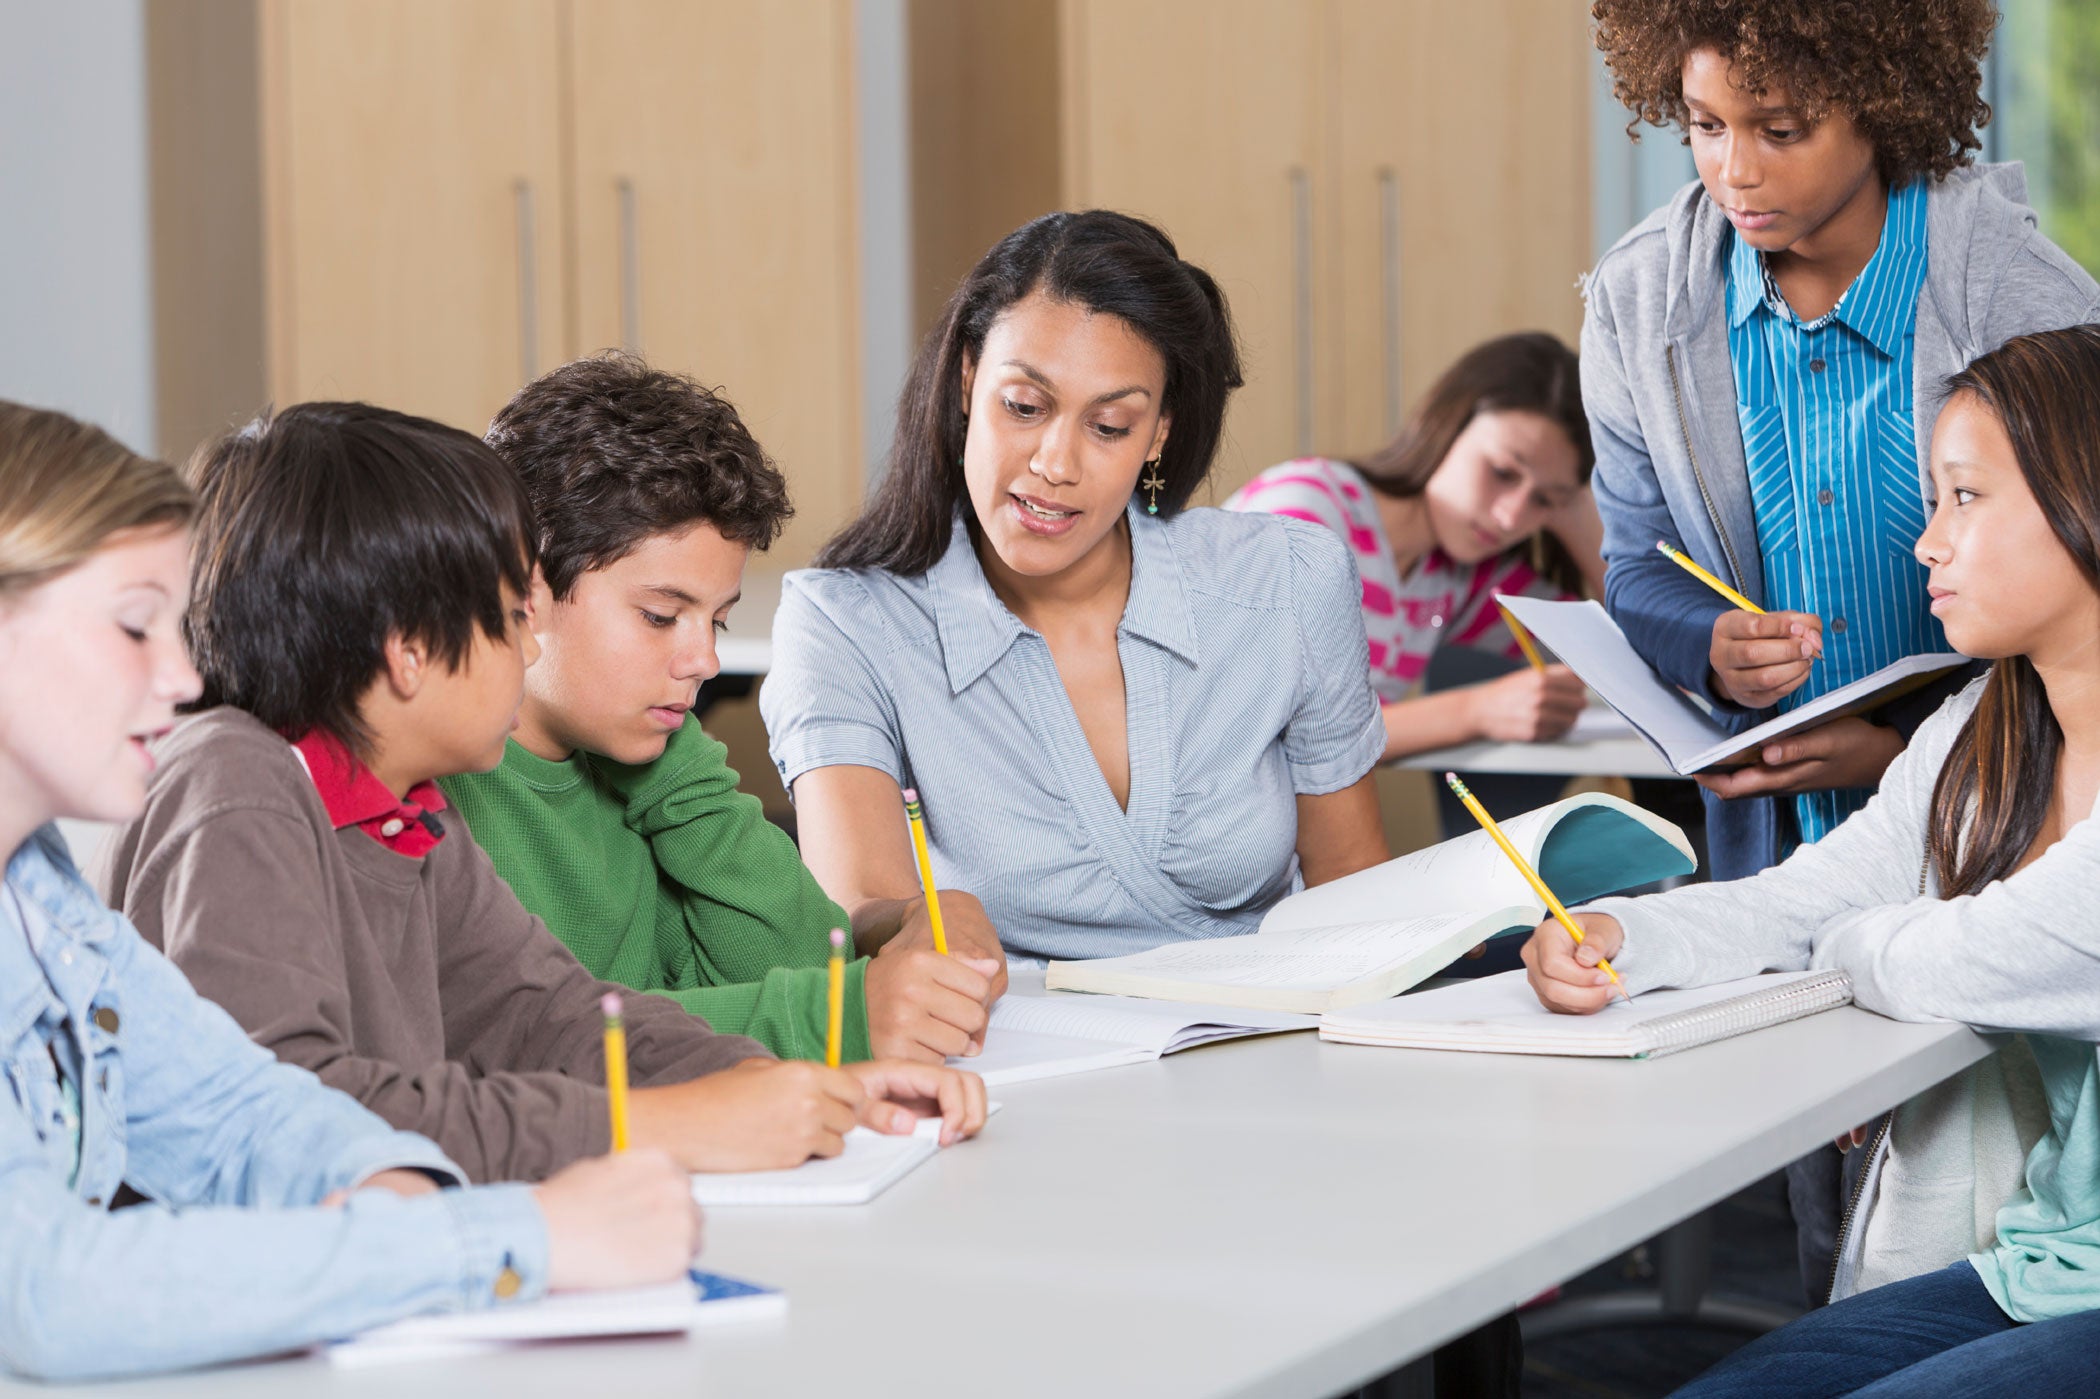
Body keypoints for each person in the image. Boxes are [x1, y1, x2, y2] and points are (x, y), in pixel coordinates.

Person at [96, 401, 984, 1186]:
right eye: (509, 617)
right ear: (408, 650)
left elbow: (552, 1019)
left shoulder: (409, 815)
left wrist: (787, 1082)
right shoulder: (236, 780)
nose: (528, 651)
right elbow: (282, 1115)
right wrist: (661, 1124)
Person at [0, 400, 704, 1382]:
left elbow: (241, 1106)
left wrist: (385, 1182)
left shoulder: (41, 902)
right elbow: (48, 1293)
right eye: (132, 626)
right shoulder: (233, 779)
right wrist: (507, 1239)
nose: (177, 671)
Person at [1582, 0, 2100, 1298]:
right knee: (1854, 1206)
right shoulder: (1642, 301)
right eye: (1704, 126)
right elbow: (1635, 562)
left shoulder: (2015, 290)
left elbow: (2074, 548)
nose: (1735, 169)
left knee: (1998, 1133)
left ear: (1883, 100)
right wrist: (1706, 641)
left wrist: (1896, 743)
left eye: (1781, 129)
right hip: (1813, 803)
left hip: (1998, 764)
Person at [1527, 327, 2100, 1395]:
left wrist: (1850, 947)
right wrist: (1623, 933)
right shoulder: (1992, 725)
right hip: (2050, 1269)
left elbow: (1956, 960)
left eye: (1966, 499)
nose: (1929, 544)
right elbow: (1816, 897)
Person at [761, 210, 1390, 965]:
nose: (1056, 463)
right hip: (1014, 1060)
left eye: (1111, 426)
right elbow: (860, 905)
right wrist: (914, 924)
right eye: (1024, 407)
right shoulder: (845, 622)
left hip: (1271, 1046)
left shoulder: (1286, 579)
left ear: (1158, 432)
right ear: (967, 379)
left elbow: (1355, 889)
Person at [444, 353, 1003, 1066]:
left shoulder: (643, 764)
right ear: (526, 588)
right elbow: (515, 1041)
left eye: (717, 621)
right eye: (658, 616)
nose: (704, 661)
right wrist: (833, 1017)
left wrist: (674, 769)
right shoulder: (438, 787)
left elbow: (801, 958)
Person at [1226, 332, 1603, 761]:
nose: (1510, 518)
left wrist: (1577, 512)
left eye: (1543, 501)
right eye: (1502, 471)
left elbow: (1619, 658)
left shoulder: (1456, 574)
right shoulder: (1304, 515)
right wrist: (1476, 711)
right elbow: (1269, 730)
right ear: (1447, 425)